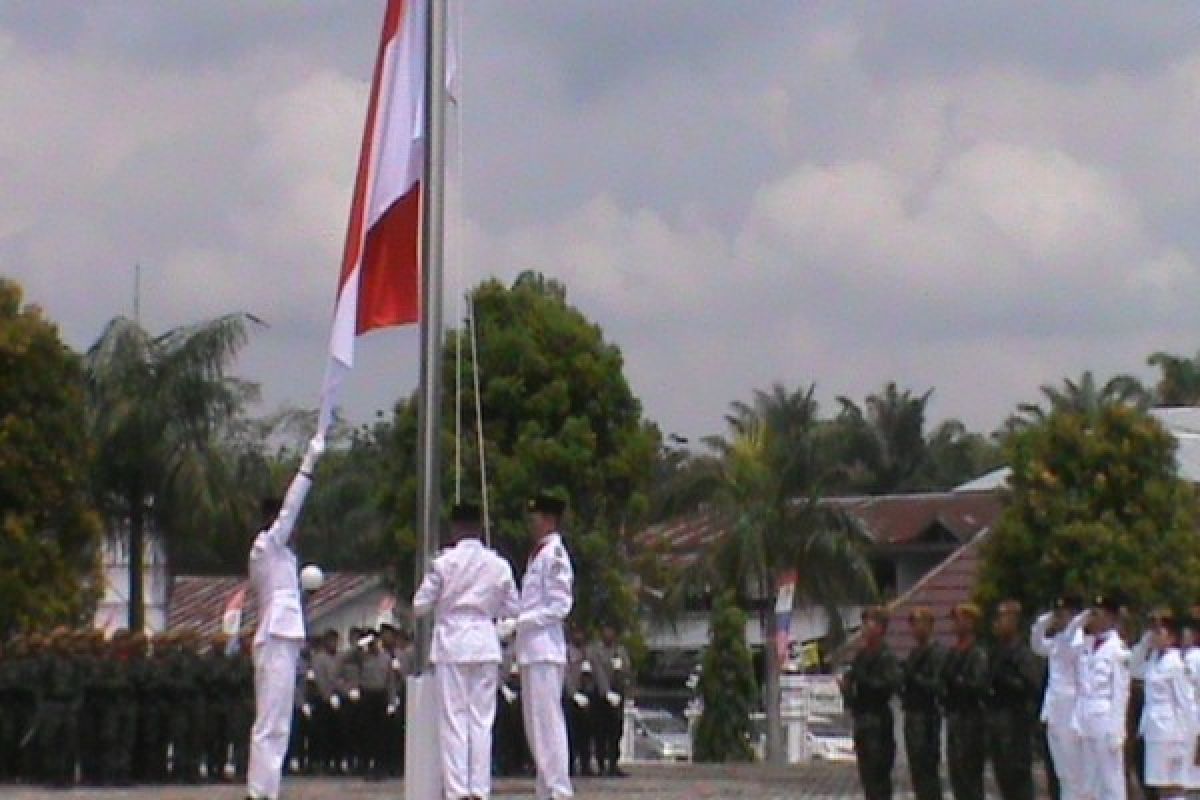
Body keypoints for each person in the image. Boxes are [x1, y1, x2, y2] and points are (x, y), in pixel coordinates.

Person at [413, 501, 520, 800]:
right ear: (480, 528)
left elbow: (420, 605)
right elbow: (514, 606)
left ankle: (458, 789)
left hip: (452, 640)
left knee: (454, 719)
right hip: (485, 640)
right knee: (482, 721)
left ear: (455, 528)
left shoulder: (444, 563)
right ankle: (479, 789)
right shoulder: (498, 564)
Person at [245, 435, 322, 800]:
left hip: (286, 635)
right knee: (270, 720)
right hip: (275, 634)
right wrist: (308, 464)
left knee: (280, 723)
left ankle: (267, 789)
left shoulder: (286, 557)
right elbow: (291, 510)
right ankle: (260, 792)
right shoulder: (266, 546)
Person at [515, 493, 575, 800]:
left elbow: (560, 605)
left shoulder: (555, 556)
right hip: (531, 650)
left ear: (549, 520)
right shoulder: (537, 554)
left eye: (535, 517)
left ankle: (558, 788)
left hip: (545, 648)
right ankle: (546, 784)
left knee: (547, 722)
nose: (531, 523)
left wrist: (521, 622)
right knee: (535, 724)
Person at [841, 605, 901, 800]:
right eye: (864, 622)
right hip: (862, 719)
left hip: (878, 720)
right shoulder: (862, 655)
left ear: (881, 628)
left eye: (871, 622)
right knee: (867, 776)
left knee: (879, 775)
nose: (866, 627)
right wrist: (847, 690)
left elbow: (886, 687)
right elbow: (854, 691)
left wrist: (862, 678)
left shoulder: (886, 656)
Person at [1032, 596, 1087, 800]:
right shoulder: (1059, 641)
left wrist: (1073, 625)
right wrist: (1044, 622)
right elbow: (1037, 645)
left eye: (1064, 614)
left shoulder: (1078, 641)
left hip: (1070, 710)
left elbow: (1067, 649)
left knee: (1075, 771)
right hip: (1054, 711)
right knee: (1062, 771)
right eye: (1059, 614)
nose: (1061, 618)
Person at [1077, 594, 1132, 800]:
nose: (1093, 618)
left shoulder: (1117, 650)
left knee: (1111, 780)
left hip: (1105, 718)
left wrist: (1117, 730)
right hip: (1086, 718)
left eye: (1097, 614)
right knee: (1089, 781)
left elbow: (1120, 692)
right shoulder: (1086, 645)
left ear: (1110, 617)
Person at [986, 600, 1042, 800]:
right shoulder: (996, 652)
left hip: (1017, 726)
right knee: (1004, 781)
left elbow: (1032, 686)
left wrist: (1007, 680)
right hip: (997, 725)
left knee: (1019, 784)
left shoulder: (1022, 653)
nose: (997, 623)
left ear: (1014, 620)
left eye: (1002, 618)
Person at [1135, 614, 1191, 800]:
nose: (1155, 636)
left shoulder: (1175, 664)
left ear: (1171, 637)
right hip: (1153, 729)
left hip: (1171, 732)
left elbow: (1185, 703)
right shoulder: (1153, 660)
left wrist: (1189, 737)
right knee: (1159, 783)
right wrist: (1144, 643)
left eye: (1159, 632)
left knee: (1172, 784)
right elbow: (1133, 669)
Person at [942, 603, 989, 800]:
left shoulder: (977, 653)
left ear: (971, 622)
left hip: (971, 720)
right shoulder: (952, 653)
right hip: (954, 717)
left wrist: (957, 681)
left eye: (959, 619)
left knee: (970, 777)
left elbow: (977, 685)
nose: (955, 624)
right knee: (957, 776)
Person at [901, 606, 945, 800]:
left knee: (928, 769)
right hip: (912, 714)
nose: (915, 628)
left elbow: (938, 685)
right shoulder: (914, 653)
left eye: (919, 622)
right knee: (917, 770)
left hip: (927, 715)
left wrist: (914, 677)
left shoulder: (936, 653)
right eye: (912, 624)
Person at [587, 623, 632, 776]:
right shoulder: (594, 650)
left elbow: (627, 671)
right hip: (600, 697)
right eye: (606, 630)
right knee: (600, 732)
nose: (609, 633)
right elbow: (597, 672)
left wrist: (622, 668)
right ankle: (600, 764)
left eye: (611, 630)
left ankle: (613, 764)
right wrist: (606, 692)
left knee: (616, 732)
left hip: (617, 695)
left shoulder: (620, 651)